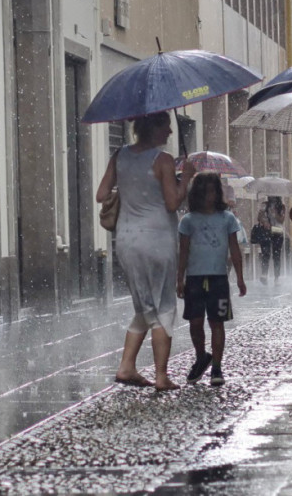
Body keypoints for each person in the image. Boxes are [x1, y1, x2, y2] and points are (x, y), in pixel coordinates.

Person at [96, 111, 195, 391]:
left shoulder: (119, 155)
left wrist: (130, 186)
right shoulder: (161, 160)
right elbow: (173, 202)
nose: (170, 133)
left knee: (143, 306)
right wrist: (185, 178)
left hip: (126, 240)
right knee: (163, 307)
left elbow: (101, 194)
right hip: (156, 240)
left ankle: (126, 367)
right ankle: (162, 376)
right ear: (154, 128)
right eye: (167, 127)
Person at [177, 173, 247, 386]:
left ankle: (216, 366)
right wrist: (179, 279)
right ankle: (201, 357)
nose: (210, 195)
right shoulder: (188, 221)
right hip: (195, 279)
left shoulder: (227, 218)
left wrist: (240, 278)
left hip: (218, 279)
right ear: (198, 194)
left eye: (214, 191)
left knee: (217, 322)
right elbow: (183, 251)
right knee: (195, 322)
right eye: (206, 191)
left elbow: (234, 249)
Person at [250, 211, 274, 285]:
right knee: (264, 258)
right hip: (260, 247)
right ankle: (263, 275)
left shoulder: (269, 227)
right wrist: (259, 241)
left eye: (265, 218)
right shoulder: (256, 227)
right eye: (263, 217)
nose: (264, 219)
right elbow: (252, 238)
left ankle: (264, 275)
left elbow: (273, 237)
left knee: (265, 258)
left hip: (266, 247)